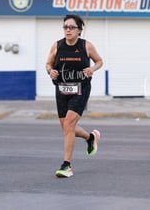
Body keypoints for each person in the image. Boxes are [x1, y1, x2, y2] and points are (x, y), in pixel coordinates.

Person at [45, 14, 103, 178]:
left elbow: (99, 61)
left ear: (79, 30)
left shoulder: (87, 46)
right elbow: (48, 64)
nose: (68, 30)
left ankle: (66, 165)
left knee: (69, 123)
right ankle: (90, 137)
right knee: (66, 128)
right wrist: (51, 71)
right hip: (62, 89)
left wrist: (93, 69)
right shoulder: (57, 46)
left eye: (72, 27)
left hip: (81, 88)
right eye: (65, 27)